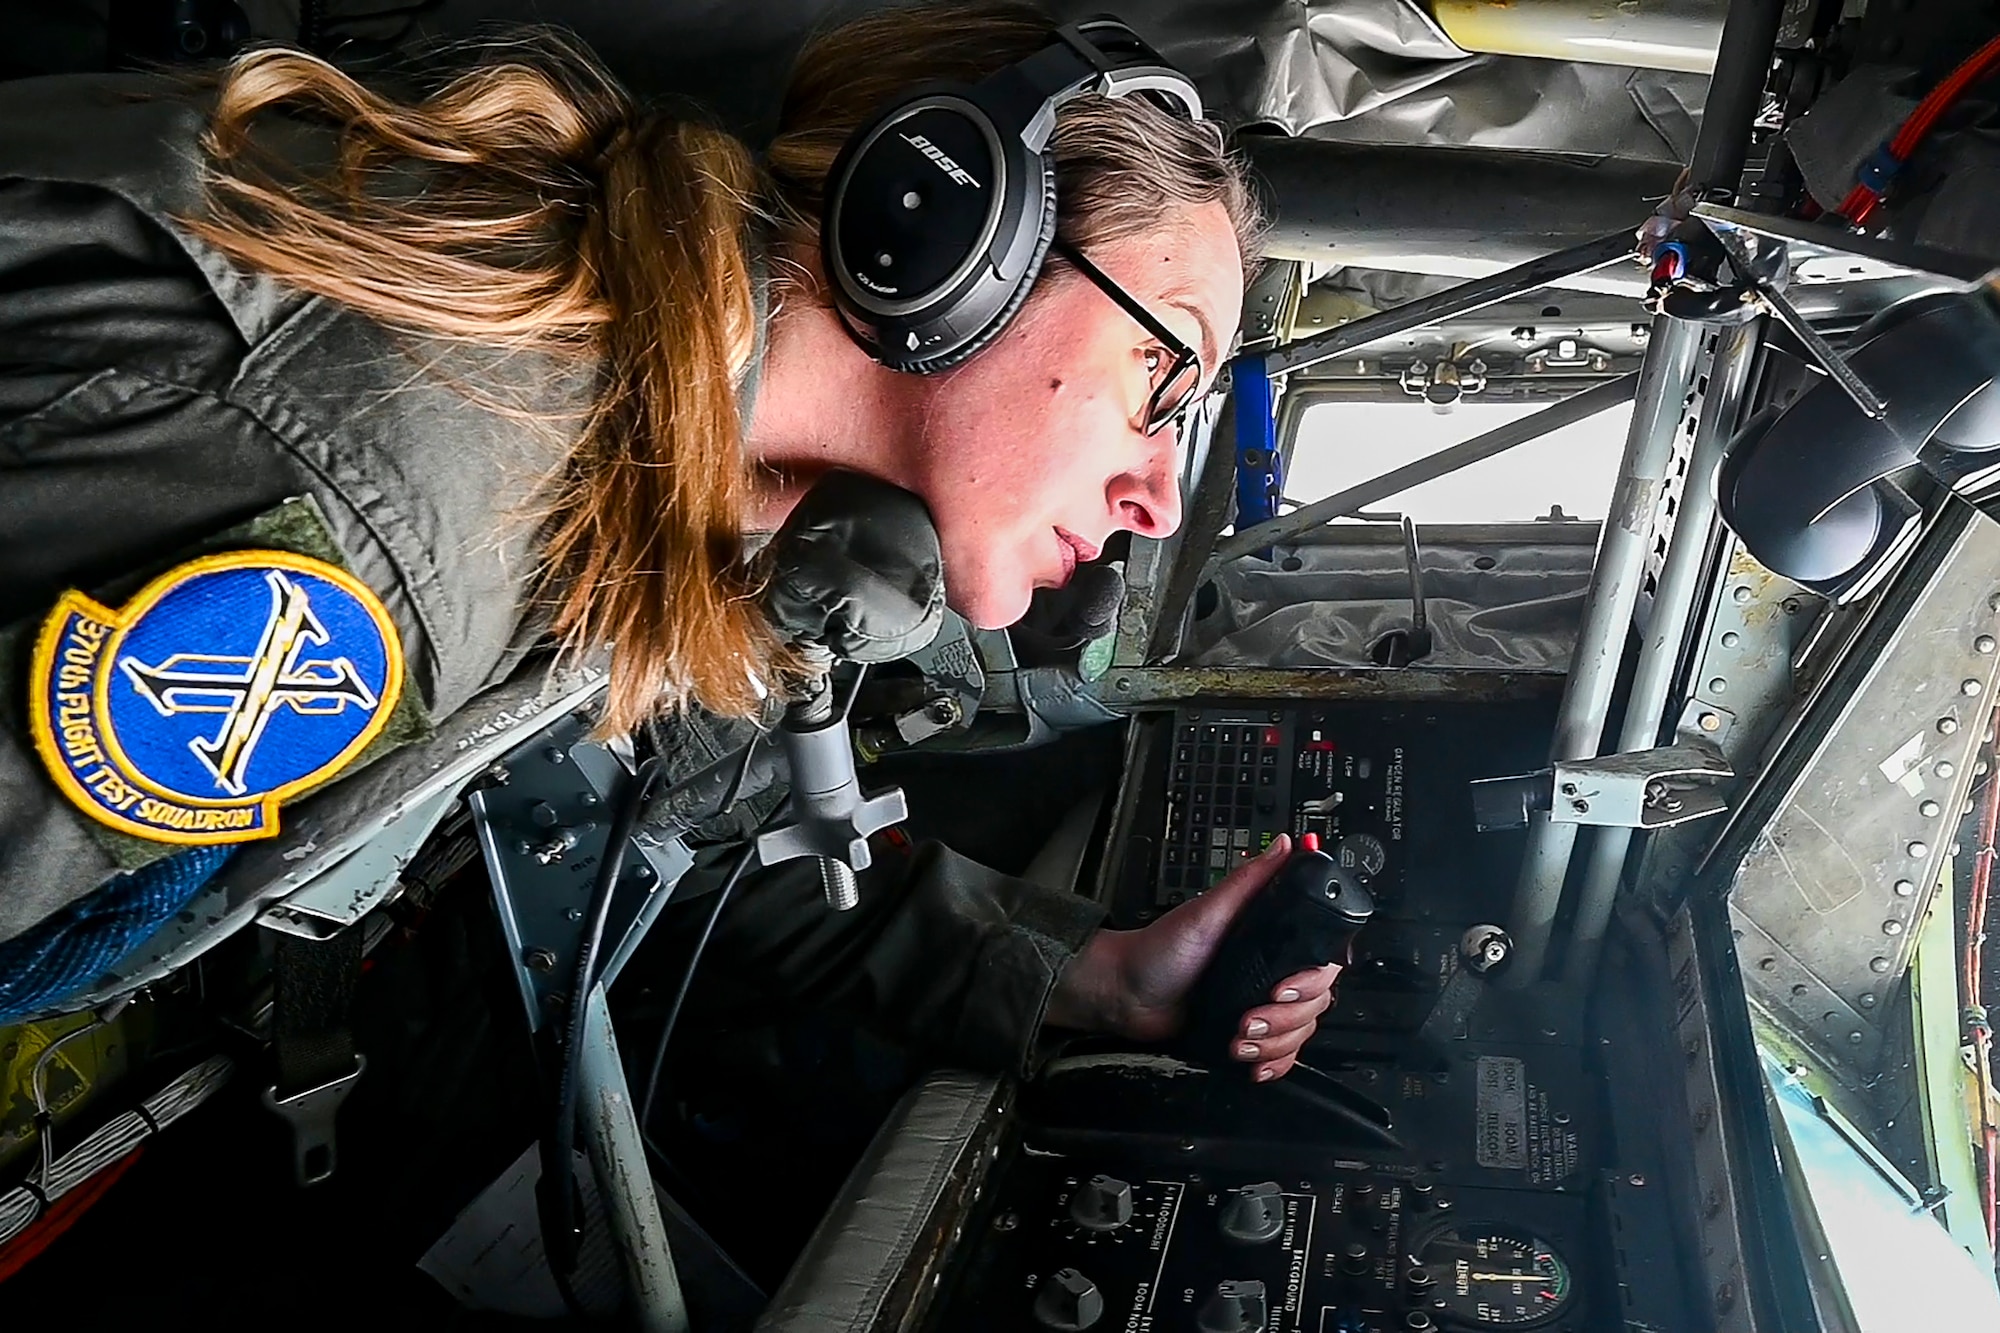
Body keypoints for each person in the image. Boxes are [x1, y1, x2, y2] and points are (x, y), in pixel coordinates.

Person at [0, 3, 1338, 1083]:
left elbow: (713, 804)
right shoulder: (403, 520)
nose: (1161, 496)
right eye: (1163, 376)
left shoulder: (654, 427)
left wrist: (1091, 975)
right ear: (949, 231)